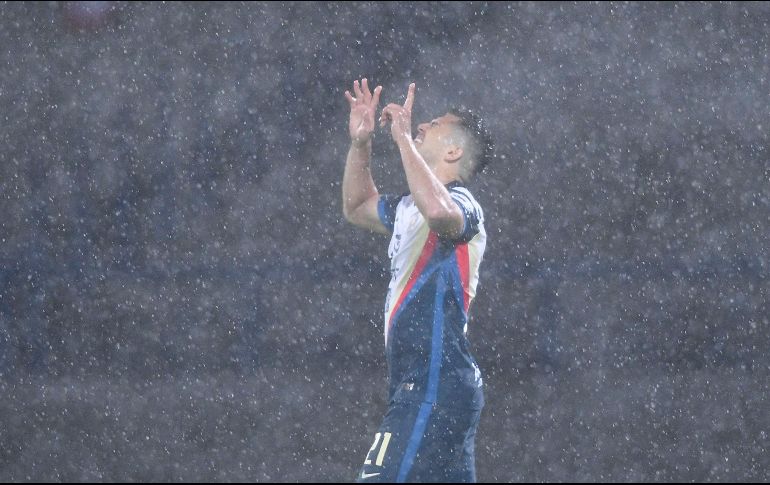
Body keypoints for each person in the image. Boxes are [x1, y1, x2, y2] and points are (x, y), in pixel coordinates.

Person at [342, 78, 493, 483]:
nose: (422, 123)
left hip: (435, 387)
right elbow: (356, 206)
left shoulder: (463, 205)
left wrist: (405, 140)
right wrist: (361, 144)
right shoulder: (409, 207)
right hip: (423, 387)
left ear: (454, 151)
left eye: (435, 123)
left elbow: (442, 216)